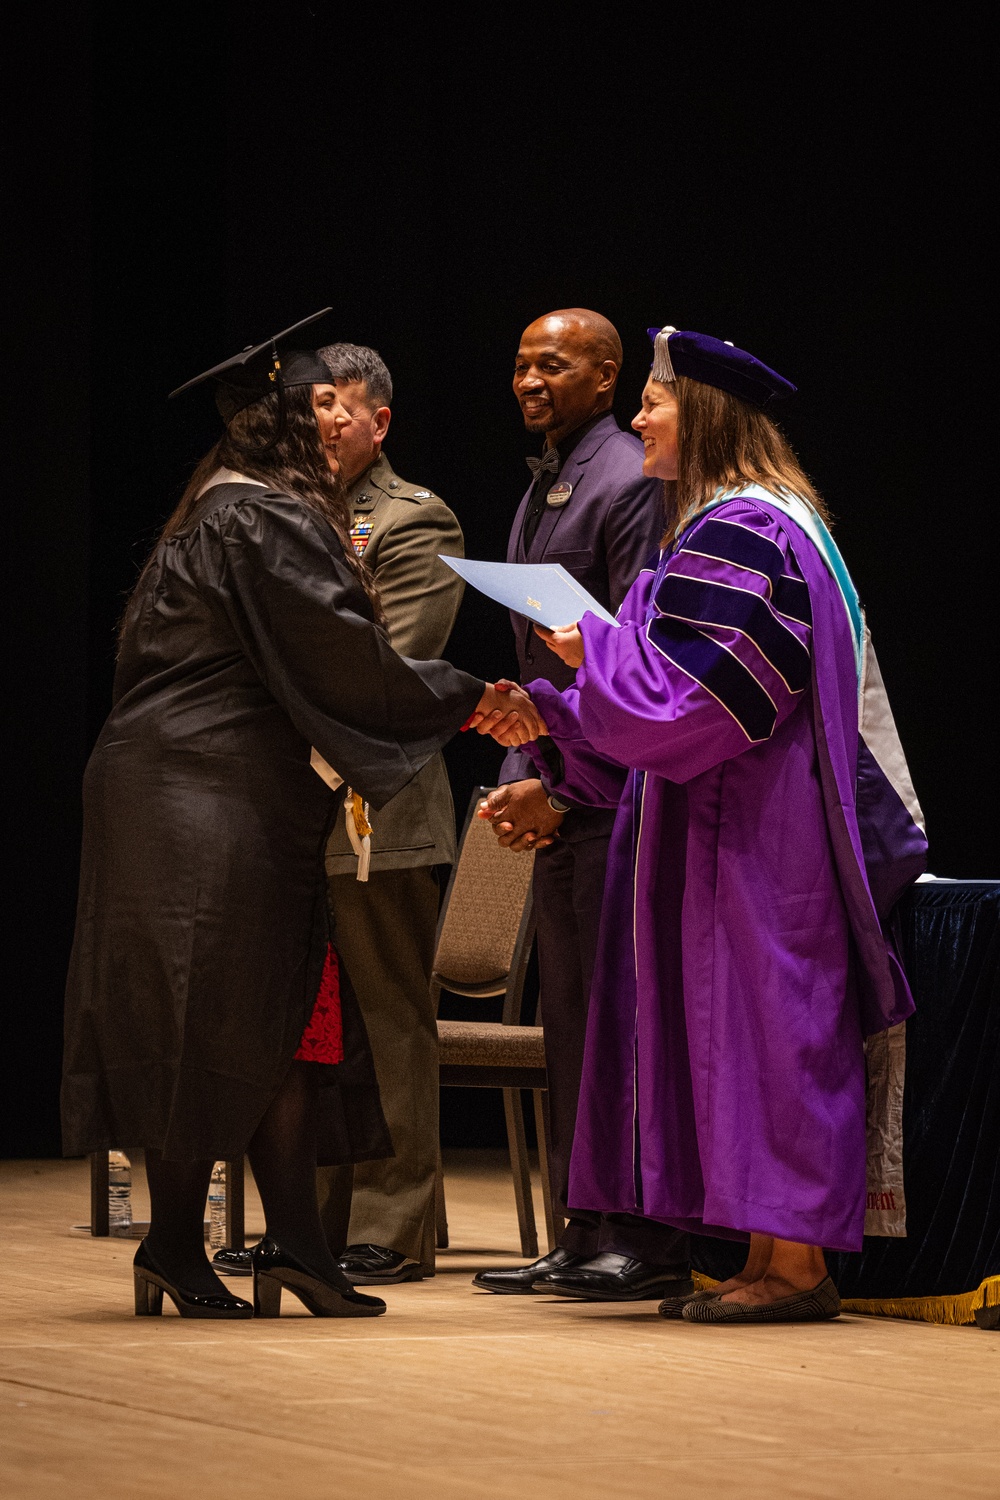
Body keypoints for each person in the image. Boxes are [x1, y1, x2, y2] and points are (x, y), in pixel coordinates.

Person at [61, 314, 541, 1321]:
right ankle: (179, 1247)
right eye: (313, 403)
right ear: (275, 425)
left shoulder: (208, 512)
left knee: (288, 1016)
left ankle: (297, 1249)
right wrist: (465, 697)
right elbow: (339, 653)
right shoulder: (260, 519)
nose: (333, 419)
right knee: (217, 1011)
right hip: (207, 794)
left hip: (202, 790)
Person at [522, 324, 927, 1323]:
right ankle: (762, 1256)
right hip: (726, 820)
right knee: (739, 1036)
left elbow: (696, 705)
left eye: (655, 402)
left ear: (699, 413)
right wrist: (555, 714)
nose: (642, 417)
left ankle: (793, 1268)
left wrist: (589, 652)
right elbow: (672, 691)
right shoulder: (730, 525)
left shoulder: (745, 529)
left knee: (771, 1034)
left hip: (756, 831)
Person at [473, 309, 692, 1302]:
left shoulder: (623, 479)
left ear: (606, 380)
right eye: (520, 364)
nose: (529, 379)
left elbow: (628, 649)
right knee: (569, 1018)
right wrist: (529, 774)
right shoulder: (551, 478)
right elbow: (537, 651)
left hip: (618, 791)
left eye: (552, 365)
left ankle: (640, 1233)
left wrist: (568, 780)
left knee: (617, 1021)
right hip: (566, 781)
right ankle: (581, 1222)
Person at [310, 342, 466, 1285]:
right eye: (314, 405)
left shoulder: (413, 519)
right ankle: (312, 1218)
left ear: (382, 422)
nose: (327, 422)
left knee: (387, 1017)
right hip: (284, 808)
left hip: (379, 805)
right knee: (309, 1021)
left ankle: (392, 1223)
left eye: (344, 406)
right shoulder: (278, 513)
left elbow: (393, 668)